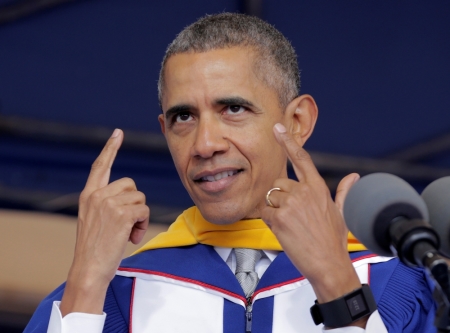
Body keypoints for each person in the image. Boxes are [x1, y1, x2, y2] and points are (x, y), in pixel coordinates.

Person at [25, 13, 435, 333]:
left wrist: (336, 282)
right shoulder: (115, 294)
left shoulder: (396, 279)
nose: (204, 144)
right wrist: (85, 280)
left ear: (297, 121)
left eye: (233, 109)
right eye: (183, 116)